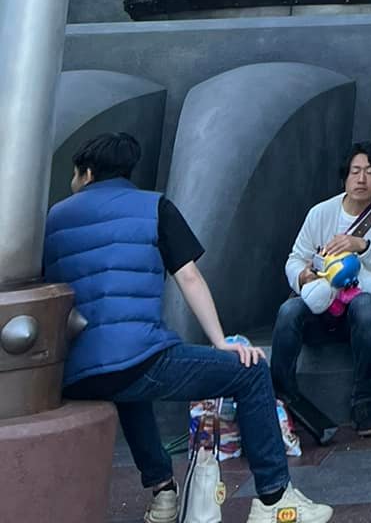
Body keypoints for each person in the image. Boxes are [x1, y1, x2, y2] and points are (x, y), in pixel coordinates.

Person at [43, 132, 332, 523]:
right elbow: (189, 277)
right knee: (249, 372)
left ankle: (164, 493)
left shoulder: (54, 217)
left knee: (126, 380)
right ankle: (275, 499)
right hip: (139, 360)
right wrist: (221, 341)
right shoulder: (154, 207)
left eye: (74, 175)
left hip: (76, 374)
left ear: (87, 173)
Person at [271, 141, 371, 437]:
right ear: (344, 176)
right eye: (355, 171)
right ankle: (282, 396)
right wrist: (303, 276)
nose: (361, 179)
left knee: (365, 305)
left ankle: (363, 401)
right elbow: (295, 258)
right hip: (322, 306)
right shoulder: (320, 213)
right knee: (289, 310)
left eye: (369, 172)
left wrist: (363, 246)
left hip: (360, 314)